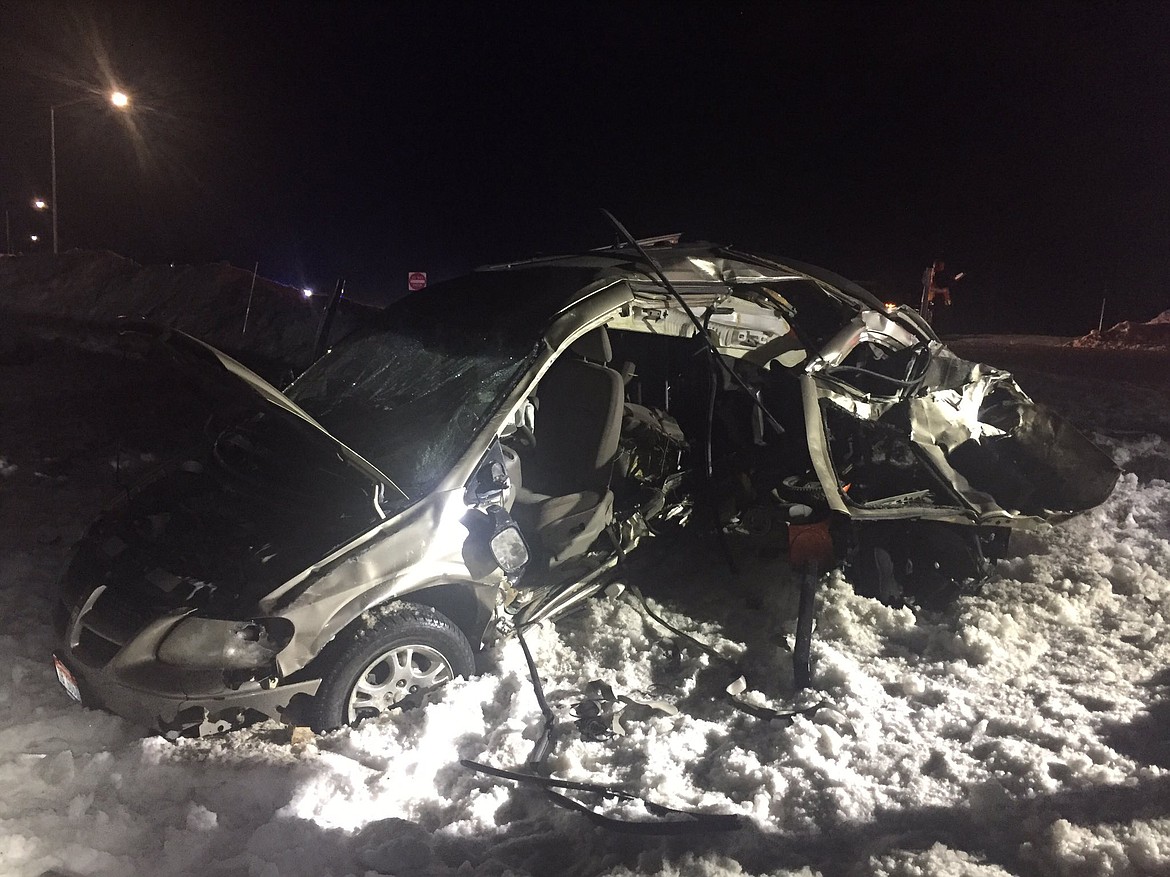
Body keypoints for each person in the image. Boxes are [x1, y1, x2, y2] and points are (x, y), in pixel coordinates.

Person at [919, 259, 964, 324]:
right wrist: (942, 290)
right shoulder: (930, 273)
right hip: (930, 300)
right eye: (941, 265)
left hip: (937, 300)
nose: (943, 267)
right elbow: (929, 287)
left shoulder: (939, 275)